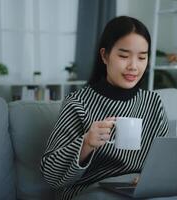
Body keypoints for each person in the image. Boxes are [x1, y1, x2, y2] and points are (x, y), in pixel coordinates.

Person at [40, 16, 169, 200]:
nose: (133, 66)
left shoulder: (153, 102)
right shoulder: (78, 103)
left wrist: (150, 179)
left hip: (138, 191)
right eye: (124, 56)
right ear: (105, 55)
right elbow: (51, 175)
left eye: (142, 57)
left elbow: (163, 161)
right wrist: (86, 143)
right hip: (88, 192)